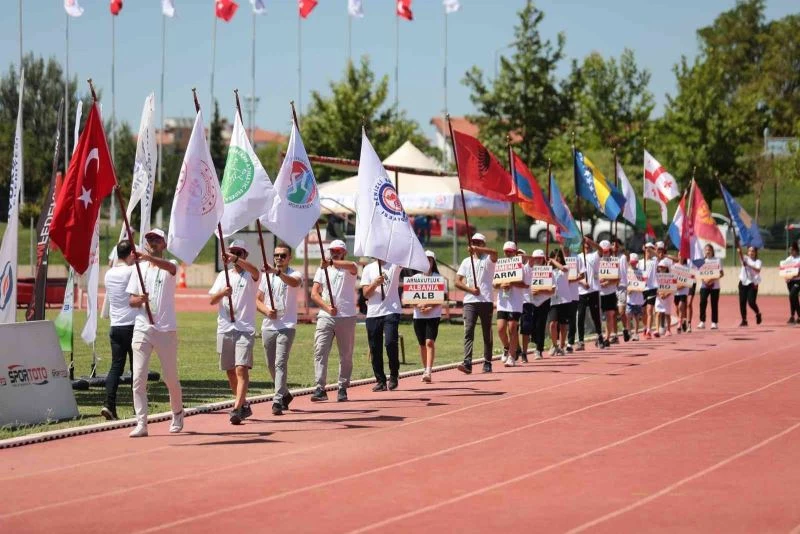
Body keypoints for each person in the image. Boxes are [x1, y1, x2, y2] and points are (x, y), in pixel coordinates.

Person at [126, 229, 183, 438]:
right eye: (149, 239)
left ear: (164, 244)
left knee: (169, 377)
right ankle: (141, 423)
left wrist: (147, 257)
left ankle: (177, 412)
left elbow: (169, 267)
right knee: (138, 378)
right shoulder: (138, 269)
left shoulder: (170, 266)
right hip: (143, 328)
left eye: (156, 239)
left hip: (165, 330)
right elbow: (131, 300)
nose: (152, 242)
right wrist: (139, 300)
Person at [208, 240, 260, 425]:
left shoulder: (251, 276)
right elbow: (212, 300)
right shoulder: (224, 275)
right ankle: (244, 404)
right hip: (225, 328)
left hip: (244, 329)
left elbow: (255, 270)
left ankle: (236, 408)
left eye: (239, 252)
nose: (234, 255)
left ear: (244, 255)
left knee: (241, 368)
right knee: (230, 371)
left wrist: (235, 258)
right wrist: (223, 293)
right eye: (232, 252)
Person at [309, 240, 359, 402]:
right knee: (320, 351)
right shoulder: (322, 270)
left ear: (344, 252)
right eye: (332, 251)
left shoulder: (349, 268)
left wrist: (331, 262)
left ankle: (342, 387)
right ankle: (319, 388)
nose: (334, 253)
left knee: (346, 354)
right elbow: (314, 294)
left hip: (346, 316)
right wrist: (326, 307)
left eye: (337, 251)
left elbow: (352, 266)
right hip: (326, 316)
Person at [257, 243, 303, 416]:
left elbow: (294, 282)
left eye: (283, 255)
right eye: (276, 255)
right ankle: (285, 393)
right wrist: (266, 311)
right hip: (269, 326)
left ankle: (277, 400)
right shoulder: (265, 277)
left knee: (280, 363)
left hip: (287, 326)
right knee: (271, 365)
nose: (279, 258)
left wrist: (276, 272)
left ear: (289, 258)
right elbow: (257, 300)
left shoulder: (294, 274)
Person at [101, 240, 138, 421]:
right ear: (131, 253)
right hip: (132, 325)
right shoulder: (132, 271)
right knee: (136, 368)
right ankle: (137, 407)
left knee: (116, 367)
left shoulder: (109, 274)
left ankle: (109, 404)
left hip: (115, 326)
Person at [455, 233, 497, 374]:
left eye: (478, 242)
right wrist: (470, 290)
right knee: (468, 330)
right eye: (473, 242)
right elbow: (457, 281)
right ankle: (467, 362)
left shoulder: (488, 260)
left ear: (483, 244)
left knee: (486, 332)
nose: (475, 245)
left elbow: (495, 252)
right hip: (470, 301)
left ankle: (488, 361)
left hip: (486, 301)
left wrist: (478, 249)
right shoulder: (466, 261)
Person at [361, 257, 403, 390]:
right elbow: (366, 294)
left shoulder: (394, 265)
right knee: (375, 348)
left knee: (390, 342)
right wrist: (375, 284)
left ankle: (394, 375)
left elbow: (405, 256)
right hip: (373, 313)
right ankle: (380, 380)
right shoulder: (368, 269)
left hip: (391, 310)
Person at [412, 251, 443, 382]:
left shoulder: (438, 278)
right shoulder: (415, 278)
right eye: (425, 260)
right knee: (422, 344)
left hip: (433, 315)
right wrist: (419, 305)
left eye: (429, 260)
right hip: (418, 316)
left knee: (429, 342)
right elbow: (409, 299)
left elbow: (441, 298)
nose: (427, 262)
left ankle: (429, 370)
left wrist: (430, 305)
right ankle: (425, 369)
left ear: (433, 262)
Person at [497, 242, 526, 367]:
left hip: (515, 302)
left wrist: (512, 283)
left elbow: (526, 285)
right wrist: (501, 285)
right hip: (502, 302)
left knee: (512, 327)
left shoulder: (522, 267)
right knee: (500, 328)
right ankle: (507, 347)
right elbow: (494, 284)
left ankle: (512, 356)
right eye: (506, 251)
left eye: (510, 251)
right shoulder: (499, 265)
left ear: (515, 252)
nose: (508, 253)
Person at [576, 238, 605, 350]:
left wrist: (589, 240)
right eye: (585, 244)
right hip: (581, 291)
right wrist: (582, 282)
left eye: (588, 244)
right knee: (581, 316)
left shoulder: (595, 256)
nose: (587, 246)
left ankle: (600, 337)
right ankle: (581, 341)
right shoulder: (577, 257)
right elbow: (572, 275)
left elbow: (601, 249)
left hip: (593, 290)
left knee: (596, 315)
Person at [529, 249, 553, 359]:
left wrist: (540, 291)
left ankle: (539, 349)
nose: (538, 260)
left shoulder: (549, 271)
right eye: (536, 258)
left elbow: (552, 290)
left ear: (543, 259)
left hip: (544, 301)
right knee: (531, 325)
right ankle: (533, 342)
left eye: (540, 258)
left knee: (540, 325)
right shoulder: (529, 270)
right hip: (531, 301)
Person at [547, 249, 570, 356]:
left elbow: (563, 268)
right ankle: (554, 345)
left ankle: (561, 346)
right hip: (553, 301)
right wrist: (547, 266)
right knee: (552, 324)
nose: (556, 258)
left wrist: (553, 261)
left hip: (564, 300)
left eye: (558, 257)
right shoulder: (549, 271)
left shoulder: (564, 269)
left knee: (563, 325)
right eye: (554, 256)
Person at [564, 244, 585, 353]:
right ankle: (559, 343)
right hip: (560, 296)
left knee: (572, 319)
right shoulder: (558, 257)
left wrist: (572, 280)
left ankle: (570, 343)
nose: (564, 246)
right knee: (561, 320)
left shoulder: (576, 258)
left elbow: (582, 275)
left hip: (573, 294)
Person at [698, 244, 724, 330]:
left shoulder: (717, 260)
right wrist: (705, 280)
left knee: (714, 304)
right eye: (706, 250)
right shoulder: (701, 261)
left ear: (712, 251)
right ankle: (702, 321)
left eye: (709, 250)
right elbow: (698, 273)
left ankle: (714, 322)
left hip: (715, 286)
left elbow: (721, 273)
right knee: (702, 303)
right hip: (704, 285)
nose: (707, 251)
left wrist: (712, 280)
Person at [737, 246, 762, 327]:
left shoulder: (758, 261)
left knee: (751, 302)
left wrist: (748, 265)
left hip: (753, 284)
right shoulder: (745, 258)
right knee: (742, 302)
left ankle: (758, 313)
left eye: (753, 251)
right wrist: (739, 251)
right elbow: (741, 256)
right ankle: (744, 320)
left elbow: (758, 270)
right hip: (743, 282)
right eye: (749, 251)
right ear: (747, 252)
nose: (751, 253)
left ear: (755, 253)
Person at [519, 250, 535, 360]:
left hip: (526, 301)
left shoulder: (527, 268)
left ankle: (524, 353)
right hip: (512, 301)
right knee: (512, 328)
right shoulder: (509, 268)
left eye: (521, 255)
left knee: (525, 328)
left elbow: (533, 259)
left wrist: (523, 255)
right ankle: (516, 349)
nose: (519, 257)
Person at [625, 253, 644, 340]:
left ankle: (636, 333)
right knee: (628, 315)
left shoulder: (641, 272)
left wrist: (635, 288)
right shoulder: (627, 271)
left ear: (637, 262)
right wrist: (628, 289)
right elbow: (625, 283)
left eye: (634, 262)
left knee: (636, 317)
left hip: (638, 298)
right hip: (629, 298)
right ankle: (629, 331)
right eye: (631, 262)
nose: (633, 264)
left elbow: (643, 285)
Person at [642, 242, 658, 339]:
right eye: (647, 249)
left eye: (651, 249)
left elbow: (658, 255)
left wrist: (650, 249)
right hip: (642, 289)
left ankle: (648, 330)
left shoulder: (655, 261)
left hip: (652, 288)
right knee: (643, 312)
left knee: (649, 310)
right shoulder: (640, 262)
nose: (649, 251)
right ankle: (645, 327)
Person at [655, 258, 675, 336]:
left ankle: (668, 330)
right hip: (659, 297)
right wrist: (659, 293)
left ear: (666, 267)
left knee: (667, 313)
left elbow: (673, 288)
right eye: (660, 267)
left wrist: (666, 294)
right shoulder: (656, 276)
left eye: (663, 267)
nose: (661, 268)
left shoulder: (671, 276)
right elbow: (654, 287)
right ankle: (657, 330)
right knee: (658, 312)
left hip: (668, 297)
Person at [674, 258, 691, 333]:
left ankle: (679, 324)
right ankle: (682, 320)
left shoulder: (687, 267)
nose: (680, 256)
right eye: (679, 255)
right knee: (677, 308)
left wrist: (681, 286)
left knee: (681, 306)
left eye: (682, 255)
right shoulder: (674, 266)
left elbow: (689, 280)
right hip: (675, 291)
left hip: (684, 291)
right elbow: (671, 278)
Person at [786, 242, 800, 324]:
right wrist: (786, 277)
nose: (791, 251)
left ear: (796, 250)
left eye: (792, 249)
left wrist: (793, 276)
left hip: (798, 280)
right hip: (790, 281)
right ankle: (792, 316)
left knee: (792, 295)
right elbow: (785, 269)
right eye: (790, 249)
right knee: (792, 298)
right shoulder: (788, 259)